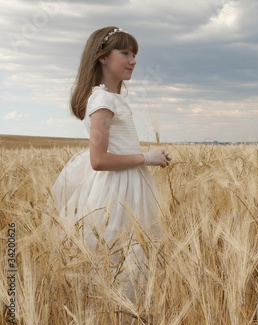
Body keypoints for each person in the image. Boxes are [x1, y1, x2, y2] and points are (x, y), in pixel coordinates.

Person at [51, 26, 170, 304]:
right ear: (103, 57)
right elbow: (99, 159)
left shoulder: (111, 98)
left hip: (129, 186)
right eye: (125, 53)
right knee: (123, 261)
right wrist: (147, 158)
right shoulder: (103, 100)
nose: (133, 60)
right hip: (116, 193)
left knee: (133, 262)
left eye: (135, 54)